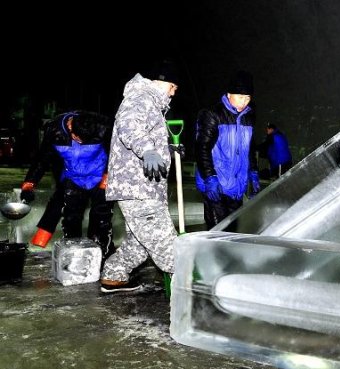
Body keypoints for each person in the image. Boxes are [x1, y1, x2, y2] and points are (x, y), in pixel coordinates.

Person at [100, 60, 181, 293]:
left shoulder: (149, 101)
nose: (174, 93)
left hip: (142, 186)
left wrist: (167, 149)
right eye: (173, 87)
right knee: (166, 243)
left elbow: (143, 133)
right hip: (138, 187)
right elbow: (128, 126)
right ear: (161, 82)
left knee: (141, 243)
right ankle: (191, 294)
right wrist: (147, 150)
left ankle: (114, 275)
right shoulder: (142, 98)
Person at [20, 110, 115, 258]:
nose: (81, 142)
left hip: (100, 178)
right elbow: (42, 158)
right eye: (78, 139)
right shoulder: (54, 130)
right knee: (71, 219)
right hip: (73, 179)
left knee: (101, 220)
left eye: (86, 140)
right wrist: (29, 183)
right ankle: (73, 255)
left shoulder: (104, 126)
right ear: (70, 127)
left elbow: (117, 154)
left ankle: (103, 256)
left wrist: (108, 176)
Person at [195, 70, 260, 230]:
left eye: (247, 98)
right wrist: (210, 177)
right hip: (216, 185)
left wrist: (253, 171)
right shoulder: (212, 115)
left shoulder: (248, 117)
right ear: (229, 93)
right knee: (217, 234)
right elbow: (201, 148)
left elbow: (249, 147)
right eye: (240, 97)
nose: (244, 102)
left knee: (232, 232)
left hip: (237, 186)